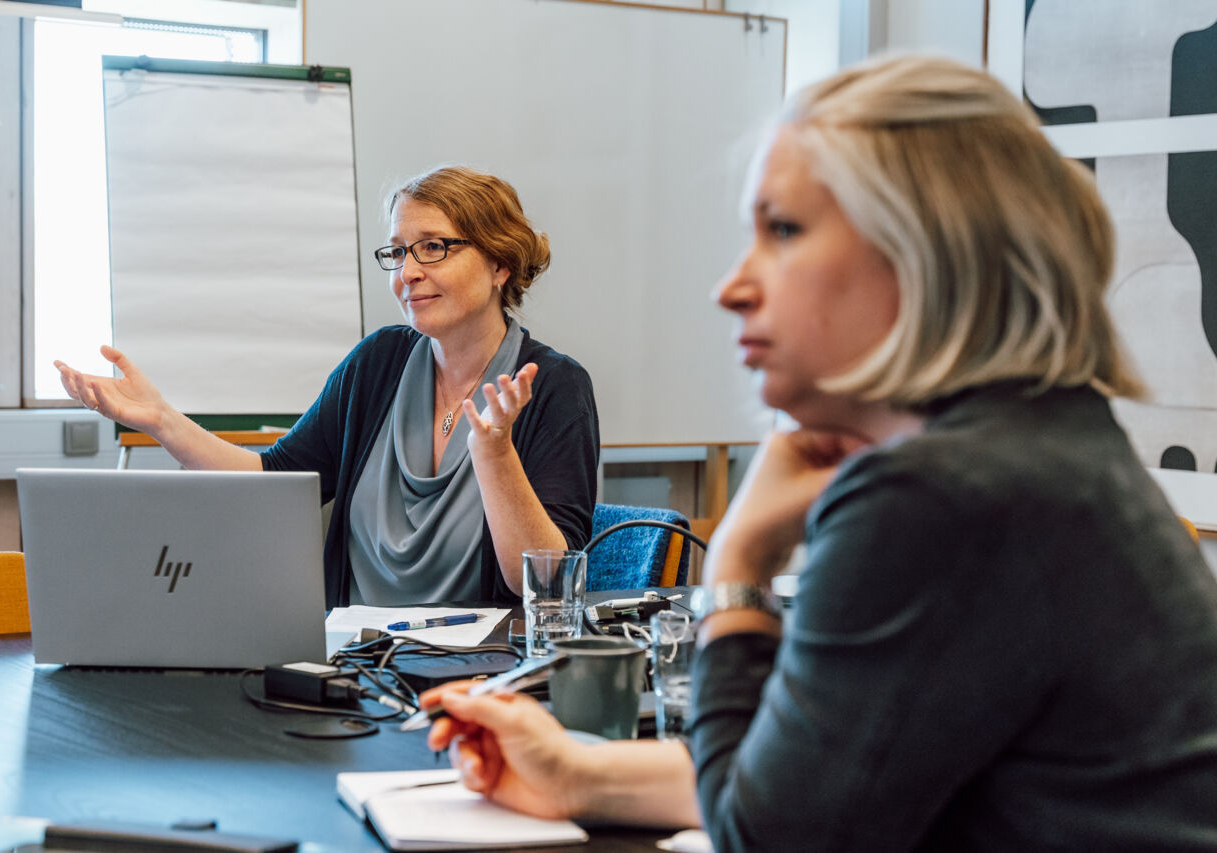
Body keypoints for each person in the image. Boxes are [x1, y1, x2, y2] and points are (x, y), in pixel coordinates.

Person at [421, 55, 1217, 850]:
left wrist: (737, 563)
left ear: (927, 252)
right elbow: (811, 777)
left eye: (785, 230)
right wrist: (576, 774)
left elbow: (768, 835)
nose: (730, 287)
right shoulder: (1046, 448)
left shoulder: (944, 495)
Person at [55, 166, 599, 607]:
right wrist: (161, 420)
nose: (406, 273)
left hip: (482, 683)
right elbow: (276, 481)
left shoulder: (555, 388)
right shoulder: (377, 363)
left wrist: (495, 453)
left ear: (500, 262)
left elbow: (546, 586)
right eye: (398, 252)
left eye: (432, 247)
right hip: (353, 669)